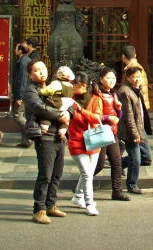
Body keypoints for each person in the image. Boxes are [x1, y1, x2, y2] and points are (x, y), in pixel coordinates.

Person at [24, 59, 72, 225]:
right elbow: (40, 108)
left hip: (59, 134)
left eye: (43, 68)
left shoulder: (55, 85)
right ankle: (39, 209)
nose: (41, 72)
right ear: (30, 74)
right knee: (45, 174)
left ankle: (51, 204)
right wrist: (60, 115)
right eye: (37, 70)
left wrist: (68, 115)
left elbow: (69, 102)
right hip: (44, 135)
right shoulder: (30, 90)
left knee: (57, 173)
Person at [92, 67, 131, 201]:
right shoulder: (96, 94)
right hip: (100, 132)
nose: (111, 81)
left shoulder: (115, 94)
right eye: (108, 78)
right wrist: (108, 118)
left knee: (117, 162)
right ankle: (82, 185)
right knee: (99, 164)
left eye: (114, 78)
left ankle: (117, 191)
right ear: (101, 79)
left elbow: (118, 116)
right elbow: (94, 114)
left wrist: (119, 110)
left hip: (112, 133)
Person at [67, 72, 103, 216]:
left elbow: (97, 119)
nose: (72, 87)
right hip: (76, 141)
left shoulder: (95, 99)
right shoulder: (69, 100)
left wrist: (81, 110)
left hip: (93, 141)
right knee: (87, 174)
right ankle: (89, 204)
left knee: (87, 173)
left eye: (74, 85)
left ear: (83, 86)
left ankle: (77, 196)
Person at [120, 46, 153, 171]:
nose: (136, 78)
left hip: (137, 111)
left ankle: (118, 163)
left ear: (124, 57)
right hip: (137, 111)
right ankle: (119, 165)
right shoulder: (138, 68)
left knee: (143, 155)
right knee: (136, 152)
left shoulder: (133, 70)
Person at [118, 65, 146, 195]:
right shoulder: (125, 91)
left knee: (146, 157)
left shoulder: (135, 89)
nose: (137, 79)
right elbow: (128, 115)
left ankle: (117, 164)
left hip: (139, 128)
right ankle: (131, 184)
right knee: (136, 159)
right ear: (128, 77)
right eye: (134, 77)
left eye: (139, 77)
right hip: (130, 131)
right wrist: (135, 133)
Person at [39, 66, 76, 141]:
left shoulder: (57, 83)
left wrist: (41, 91)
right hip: (67, 104)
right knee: (65, 119)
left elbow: (49, 91)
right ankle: (62, 131)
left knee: (47, 110)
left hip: (58, 102)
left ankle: (44, 126)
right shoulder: (71, 86)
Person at [13, 43, 32, 148]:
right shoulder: (25, 60)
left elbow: (23, 80)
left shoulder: (24, 62)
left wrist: (19, 96)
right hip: (25, 92)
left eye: (16, 49)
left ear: (20, 51)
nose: (15, 50)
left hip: (24, 93)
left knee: (18, 115)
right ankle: (26, 141)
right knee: (23, 115)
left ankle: (31, 132)